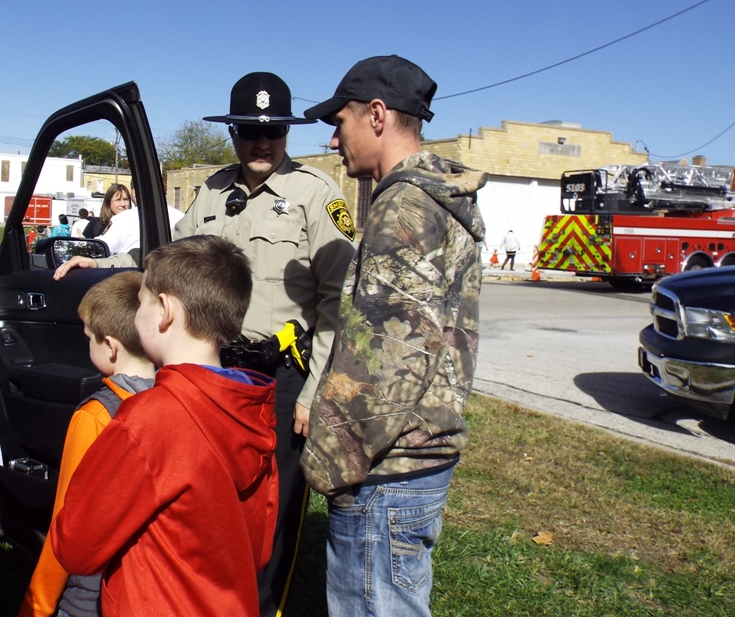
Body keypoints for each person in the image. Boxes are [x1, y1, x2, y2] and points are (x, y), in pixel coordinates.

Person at [54, 72, 356, 616]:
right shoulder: (214, 191)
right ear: (233, 133)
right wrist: (102, 263)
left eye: (273, 131)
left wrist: (316, 392)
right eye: (249, 131)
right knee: (211, 507)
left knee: (272, 509)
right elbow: (172, 256)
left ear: (287, 133)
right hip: (212, 372)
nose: (261, 142)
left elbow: (339, 300)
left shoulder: (317, 194)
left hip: (281, 377)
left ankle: (263, 606)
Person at [300, 55, 487, 617]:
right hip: (418, 460)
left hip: (385, 473)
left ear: (377, 115)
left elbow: (384, 367)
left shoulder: (404, 209)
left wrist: (327, 465)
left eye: (340, 123)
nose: (333, 140)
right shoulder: (435, 198)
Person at [51, 236, 278, 617]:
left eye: (141, 302)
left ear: (164, 310)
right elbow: (259, 545)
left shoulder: (149, 418)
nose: (137, 314)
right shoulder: (252, 407)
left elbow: (75, 546)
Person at [19, 272, 155, 617]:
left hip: (91, 597)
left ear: (110, 346)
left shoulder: (95, 417)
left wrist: (38, 604)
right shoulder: (174, 400)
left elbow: (66, 522)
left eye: (88, 338)